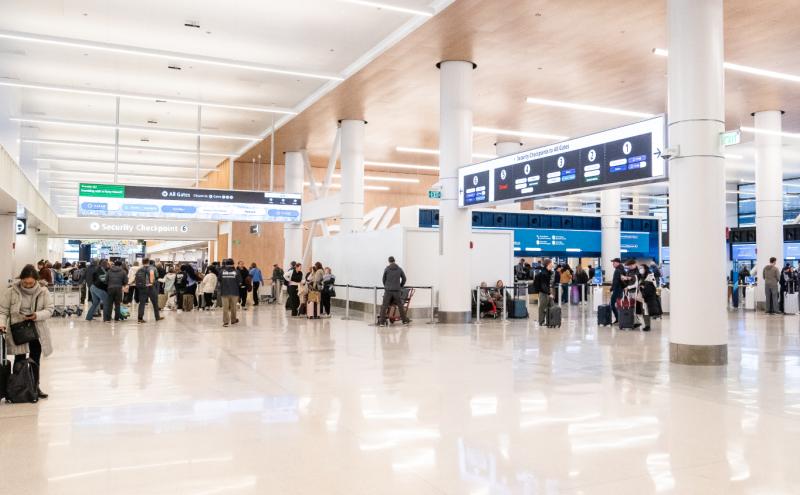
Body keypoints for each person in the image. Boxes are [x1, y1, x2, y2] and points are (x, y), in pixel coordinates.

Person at [0, 264, 55, 399]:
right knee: (19, 359)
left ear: (36, 280)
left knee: (35, 360)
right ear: (21, 279)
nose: (28, 285)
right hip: (18, 331)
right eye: (25, 283)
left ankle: (35, 387)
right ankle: (17, 388)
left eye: (31, 283)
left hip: (37, 330)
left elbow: (49, 309)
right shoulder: (11, 291)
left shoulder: (43, 291)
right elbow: (3, 311)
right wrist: (1, 324)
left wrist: (37, 315)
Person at [378, 256, 410, 326]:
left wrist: (386, 286)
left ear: (389, 261)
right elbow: (404, 279)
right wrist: (400, 286)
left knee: (384, 306)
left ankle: (382, 322)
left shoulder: (386, 269)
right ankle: (404, 321)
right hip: (396, 291)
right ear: (394, 261)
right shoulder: (399, 269)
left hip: (388, 290)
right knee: (400, 305)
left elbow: (383, 279)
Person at [136, 259, 164, 324]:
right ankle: (157, 317)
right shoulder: (152, 268)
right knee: (155, 303)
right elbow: (156, 276)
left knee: (142, 303)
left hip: (142, 288)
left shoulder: (140, 269)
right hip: (151, 287)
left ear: (142, 262)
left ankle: (140, 318)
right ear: (148, 262)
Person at [219, 259, 242, 327]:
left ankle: (226, 321)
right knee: (233, 307)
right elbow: (240, 282)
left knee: (225, 308)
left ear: (225, 264)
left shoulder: (221, 271)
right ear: (233, 264)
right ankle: (233, 320)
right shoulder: (237, 272)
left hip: (224, 292)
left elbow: (219, 280)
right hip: (234, 292)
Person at [639, 263, 660, 331]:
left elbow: (652, 285)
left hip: (648, 296)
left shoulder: (650, 275)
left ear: (645, 268)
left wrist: (643, 286)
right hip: (643, 295)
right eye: (640, 268)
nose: (640, 270)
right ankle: (647, 325)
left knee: (646, 311)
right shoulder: (642, 276)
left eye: (642, 268)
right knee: (645, 311)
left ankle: (648, 326)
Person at [533, 258, 554, 325]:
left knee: (550, 307)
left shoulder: (547, 272)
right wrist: (549, 293)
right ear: (548, 264)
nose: (552, 264)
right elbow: (543, 285)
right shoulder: (544, 273)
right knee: (542, 307)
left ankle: (549, 321)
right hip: (544, 293)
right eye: (551, 263)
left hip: (546, 292)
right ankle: (541, 321)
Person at [609, 258, 624, 324]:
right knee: (618, 304)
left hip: (617, 289)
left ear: (618, 263)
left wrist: (612, 288)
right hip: (620, 289)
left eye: (614, 262)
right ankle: (620, 318)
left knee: (612, 304)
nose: (613, 264)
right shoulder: (622, 270)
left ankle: (618, 318)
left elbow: (616, 281)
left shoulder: (617, 270)